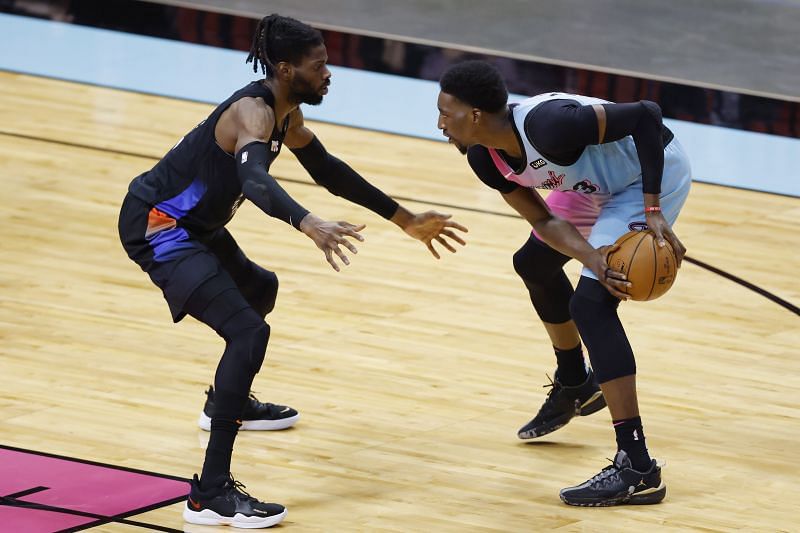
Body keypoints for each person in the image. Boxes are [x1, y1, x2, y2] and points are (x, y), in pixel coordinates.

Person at [118, 14, 467, 529]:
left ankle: (225, 402)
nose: (330, 73)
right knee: (248, 332)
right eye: (319, 65)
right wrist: (308, 223)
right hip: (161, 225)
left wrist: (405, 219)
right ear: (285, 68)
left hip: (199, 226)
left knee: (261, 289)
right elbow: (255, 180)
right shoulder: (252, 115)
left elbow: (327, 170)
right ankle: (209, 494)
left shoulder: (287, 114)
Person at [436, 60, 690, 507]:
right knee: (534, 264)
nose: (439, 123)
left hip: (646, 176)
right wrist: (591, 254)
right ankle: (575, 381)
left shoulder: (550, 125)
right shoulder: (486, 156)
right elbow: (544, 218)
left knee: (591, 306)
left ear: (474, 114)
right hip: (590, 185)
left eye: (445, 112)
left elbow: (648, 115)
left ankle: (637, 466)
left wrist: (652, 210)